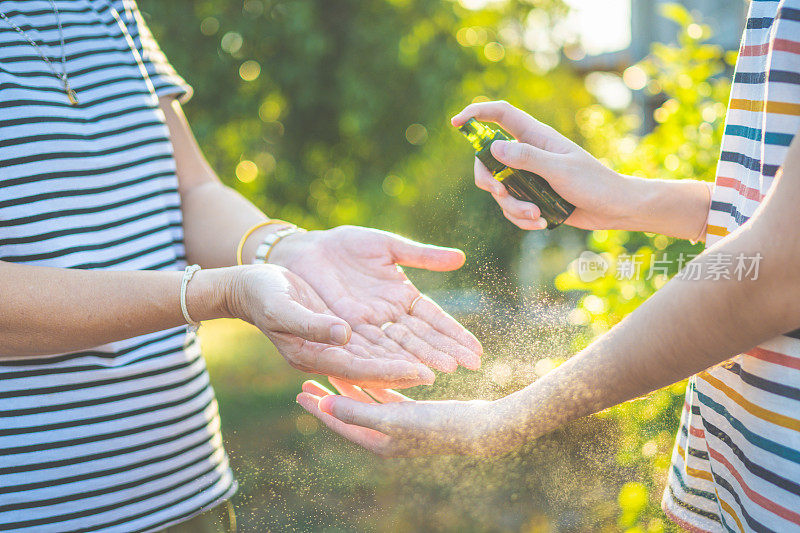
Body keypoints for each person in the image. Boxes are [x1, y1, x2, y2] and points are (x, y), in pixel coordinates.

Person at [298, 1, 800, 530]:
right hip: (741, 478)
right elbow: (768, 208)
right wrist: (622, 198)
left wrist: (502, 419)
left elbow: (780, 268)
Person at [0, 1, 482, 531]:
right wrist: (216, 294)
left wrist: (287, 248)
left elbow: (189, 190)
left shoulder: (102, 8)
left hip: (190, 495)